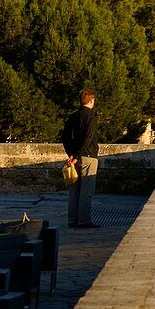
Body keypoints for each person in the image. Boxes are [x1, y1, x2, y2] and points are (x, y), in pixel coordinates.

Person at [61, 89, 100, 229]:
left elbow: (65, 137)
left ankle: (72, 220)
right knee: (86, 191)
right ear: (91, 101)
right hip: (88, 157)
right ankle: (84, 220)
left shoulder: (73, 116)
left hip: (74, 157)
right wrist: (76, 155)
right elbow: (88, 138)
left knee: (74, 190)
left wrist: (71, 155)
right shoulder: (91, 118)